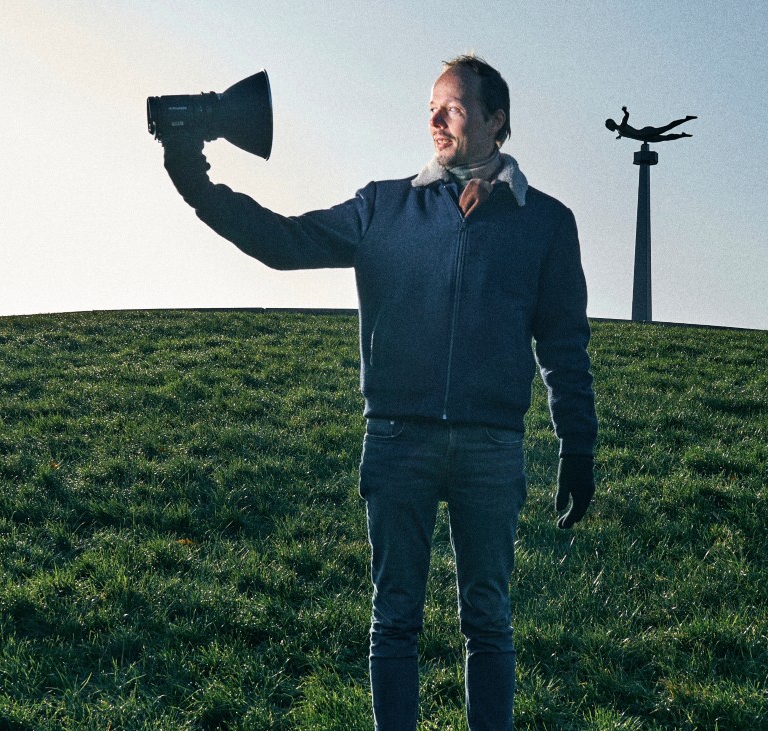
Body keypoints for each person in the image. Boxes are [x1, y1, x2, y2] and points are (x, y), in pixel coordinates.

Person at [160, 54, 598, 731]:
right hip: (397, 440)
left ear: (494, 119)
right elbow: (282, 241)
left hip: (491, 446)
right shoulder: (382, 206)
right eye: (431, 105)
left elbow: (564, 346)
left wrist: (578, 445)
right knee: (394, 620)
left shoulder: (545, 222)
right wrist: (195, 180)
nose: (434, 118)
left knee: (489, 621)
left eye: (451, 106)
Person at [605, 106, 696, 143]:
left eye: (611, 124)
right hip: (646, 138)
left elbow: (627, 116)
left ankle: (685, 119)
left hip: (645, 133)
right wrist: (619, 136)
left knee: (667, 128)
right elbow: (623, 133)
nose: (611, 126)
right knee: (666, 137)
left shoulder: (622, 126)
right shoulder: (620, 131)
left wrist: (625, 111)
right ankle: (682, 135)